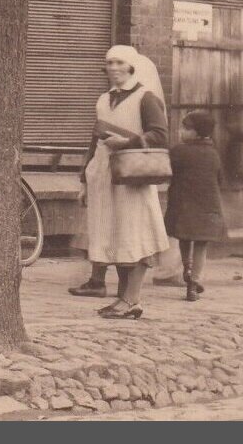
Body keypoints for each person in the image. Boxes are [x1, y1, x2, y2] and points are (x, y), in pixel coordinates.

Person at [70, 44, 170, 319]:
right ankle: (123, 299)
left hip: (133, 176)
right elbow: (95, 141)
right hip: (104, 175)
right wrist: (84, 180)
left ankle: (131, 299)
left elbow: (161, 135)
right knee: (115, 235)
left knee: (137, 235)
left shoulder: (145, 98)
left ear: (131, 67)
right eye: (109, 63)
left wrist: (128, 142)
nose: (114, 68)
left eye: (119, 63)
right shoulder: (103, 100)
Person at [164, 110, 227, 301]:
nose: (180, 131)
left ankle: (187, 268)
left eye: (186, 128)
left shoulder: (179, 151)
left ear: (197, 132)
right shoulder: (214, 153)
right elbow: (220, 179)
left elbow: (167, 171)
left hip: (183, 204)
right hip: (207, 205)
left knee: (184, 238)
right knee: (201, 243)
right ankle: (195, 281)